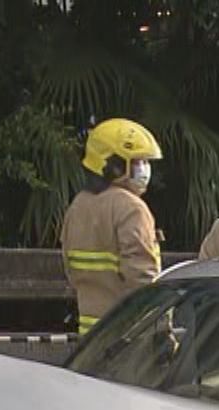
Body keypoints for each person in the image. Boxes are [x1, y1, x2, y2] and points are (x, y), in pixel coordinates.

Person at [61, 118, 162, 334]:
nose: (144, 170)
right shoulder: (132, 208)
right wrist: (162, 332)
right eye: (136, 162)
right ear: (113, 166)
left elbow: (71, 271)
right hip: (131, 336)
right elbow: (143, 279)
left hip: (90, 337)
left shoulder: (77, 206)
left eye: (145, 162)